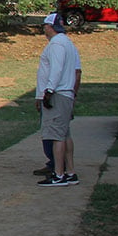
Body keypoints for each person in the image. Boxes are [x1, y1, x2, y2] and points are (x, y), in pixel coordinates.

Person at [35, 12, 81, 187]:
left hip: (58, 94)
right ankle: (70, 172)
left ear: (50, 27)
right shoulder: (68, 44)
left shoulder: (56, 45)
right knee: (64, 134)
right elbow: (76, 69)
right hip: (66, 93)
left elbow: (56, 69)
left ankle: (58, 174)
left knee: (56, 136)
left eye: (45, 26)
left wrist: (48, 91)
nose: (44, 29)